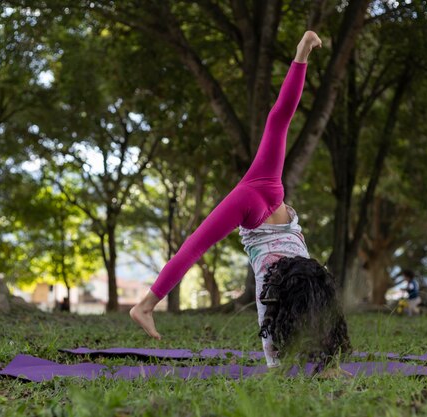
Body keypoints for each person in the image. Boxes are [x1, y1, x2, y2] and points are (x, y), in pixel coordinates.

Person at [131, 29, 351, 367]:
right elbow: (192, 249)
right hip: (274, 250)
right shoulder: (257, 190)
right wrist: (301, 55)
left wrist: (302, 53)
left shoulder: (265, 184)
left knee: (313, 301)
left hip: (293, 262)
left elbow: (280, 118)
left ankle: (319, 366)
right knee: (288, 311)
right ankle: (144, 305)